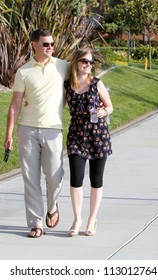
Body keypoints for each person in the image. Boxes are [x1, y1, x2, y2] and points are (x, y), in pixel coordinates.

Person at [4, 28, 69, 238]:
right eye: (45, 44)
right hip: (28, 129)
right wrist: (9, 135)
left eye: (52, 44)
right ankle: (35, 223)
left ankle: (52, 206)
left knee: (54, 176)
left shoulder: (63, 66)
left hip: (53, 130)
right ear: (34, 44)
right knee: (30, 178)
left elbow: (80, 84)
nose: (50, 48)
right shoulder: (23, 71)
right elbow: (15, 104)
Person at [64, 47, 113, 237]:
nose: (88, 65)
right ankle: (77, 219)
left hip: (97, 135)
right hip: (76, 135)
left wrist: (104, 111)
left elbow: (110, 106)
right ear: (76, 62)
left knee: (96, 179)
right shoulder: (68, 85)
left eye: (91, 62)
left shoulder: (96, 84)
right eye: (85, 61)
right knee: (76, 178)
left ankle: (92, 220)